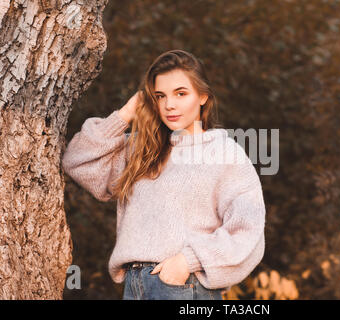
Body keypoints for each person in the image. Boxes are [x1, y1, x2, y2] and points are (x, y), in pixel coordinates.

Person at [61, 50, 266, 300]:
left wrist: (186, 263)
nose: (169, 105)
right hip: (134, 285)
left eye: (181, 93)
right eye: (160, 96)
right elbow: (77, 159)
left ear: (203, 96)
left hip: (183, 286)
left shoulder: (224, 154)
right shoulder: (143, 149)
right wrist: (125, 114)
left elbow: (247, 231)